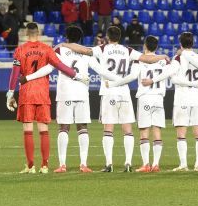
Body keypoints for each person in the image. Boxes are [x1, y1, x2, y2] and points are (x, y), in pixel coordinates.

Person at [54, 25, 167, 172]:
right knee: (127, 129)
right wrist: (162, 56)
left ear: (107, 36)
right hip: (124, 92)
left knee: (108, 128)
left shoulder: (102, 48)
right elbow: (146, 58)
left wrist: (64, 44)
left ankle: (109, 164)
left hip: (108, 91)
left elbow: (85, 51)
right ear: (120, 37)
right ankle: (128, 163)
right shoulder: (127, 50)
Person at [20, 25, 116, 172]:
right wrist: (118, 79)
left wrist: (28, 77)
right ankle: (83, 164)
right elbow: (101, 70)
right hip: (82, 93)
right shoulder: (85, 51)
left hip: (65, 93)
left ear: (67, 37)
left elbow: (48, 68)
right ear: (80, 38)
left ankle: (62, 165)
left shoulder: (59, 50)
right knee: (82, 127)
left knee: (63, 128)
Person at [5, 23, 81, 173]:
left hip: (27, 93)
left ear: (26, 33)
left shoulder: (20, 50)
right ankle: (45, 165)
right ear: (38, 33)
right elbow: (61, 66)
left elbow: (15, 73)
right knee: (43, 128)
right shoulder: (47, 49)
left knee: (27, 128)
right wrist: (77, 76)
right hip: (42, 93)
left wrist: (10, 93)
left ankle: (30, 166)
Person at [107, 35, 183, 172]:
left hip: (145, 98)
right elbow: (173, 72)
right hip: (159, 98)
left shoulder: (139, 60)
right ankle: (156, 164)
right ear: (157, 47)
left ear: (145, 46)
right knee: (157, 130)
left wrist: (113, 83)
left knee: (144, 131)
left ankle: (146, 164)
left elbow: (131, 77)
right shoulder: (164, 61)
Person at [167, 32, 198, 171]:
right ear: (193, 43)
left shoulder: (178, 58)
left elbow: (173, 79)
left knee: (181, 132)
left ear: (180, 44)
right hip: (197, 98)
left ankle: (183, 164)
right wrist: (196, 84)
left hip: (182, 98)